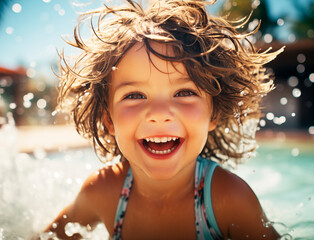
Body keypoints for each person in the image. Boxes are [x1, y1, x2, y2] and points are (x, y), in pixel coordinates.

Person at [45, 0, 283, 239]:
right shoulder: (103, 192)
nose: (159, 114)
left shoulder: (229, 200)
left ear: (213, 114)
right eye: (135, 95)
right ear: (109, 119)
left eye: (184, 93)